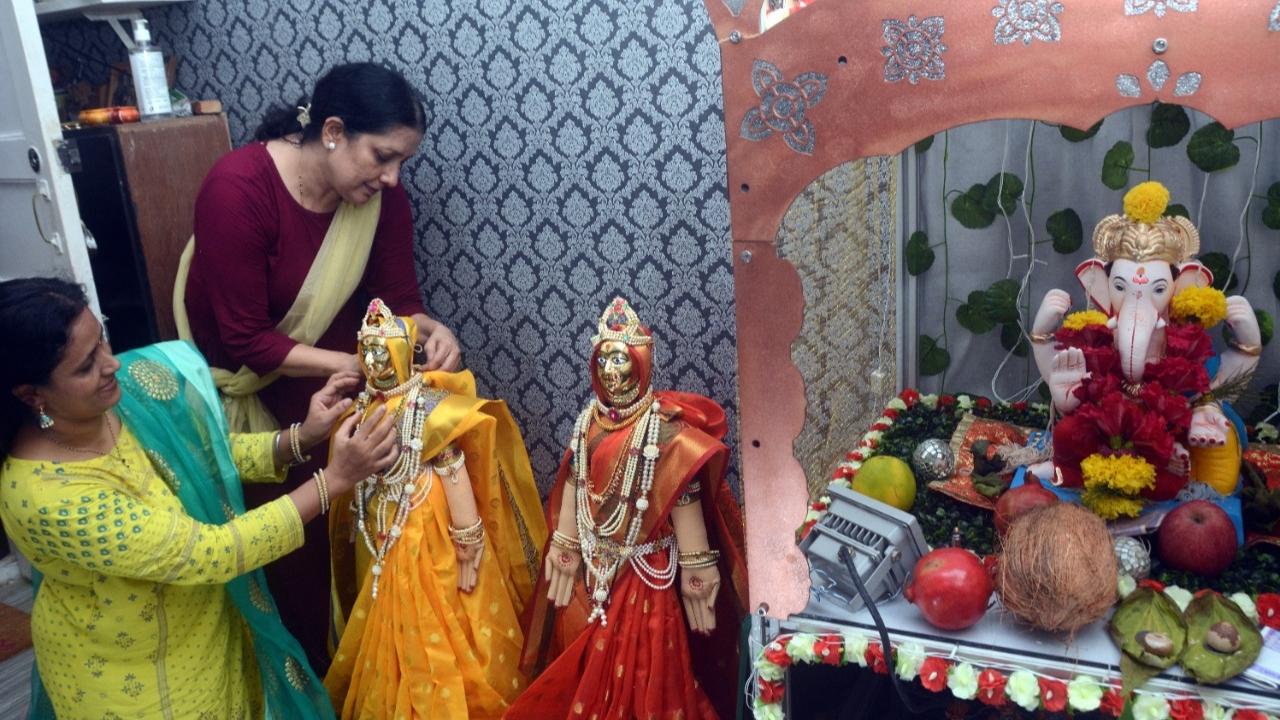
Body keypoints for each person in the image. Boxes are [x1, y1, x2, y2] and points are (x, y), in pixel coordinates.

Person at [0, 277, 401, 718]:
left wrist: (301, 438)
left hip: (210, 631)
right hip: (140, 685)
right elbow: (212, 552)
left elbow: (206, 452)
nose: (111, 363)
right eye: (84, 366)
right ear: (31, 394)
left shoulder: (118, 393)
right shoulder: (49, 499)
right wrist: (335, 480)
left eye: (102, 340)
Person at [177, 61, 461, 668]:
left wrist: (433, 332)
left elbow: (399, 303)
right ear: (332, 130)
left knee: (362, 557)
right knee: (291, 580)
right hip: (265, 402)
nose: (391, 178)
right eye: (382, 157)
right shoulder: (238, 188)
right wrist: (362, 364)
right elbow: (246, 340)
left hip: (339, 401)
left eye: (402, 163)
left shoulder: (381, 199)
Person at [510, 297, 748, 720]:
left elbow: (682, 491)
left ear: (641, 363)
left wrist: (697, 563)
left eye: (621, 360)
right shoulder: (588, 423)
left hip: (645, 579)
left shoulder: (666, 434)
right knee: (585, 664)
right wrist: (565, 541)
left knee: (648, 670)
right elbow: (574, 480)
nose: (611, 371)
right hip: (593, 573)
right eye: (604, 359)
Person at [324, 299, 547, 719]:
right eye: (367, 350)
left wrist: (468, 541)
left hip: (432, 532)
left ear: (406, 352)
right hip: (383, 537)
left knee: (444, 622)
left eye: (382, 350)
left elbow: (454, 469)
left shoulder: (431, 408)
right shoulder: (361, 410)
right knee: (385, 624)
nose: (373, 360)